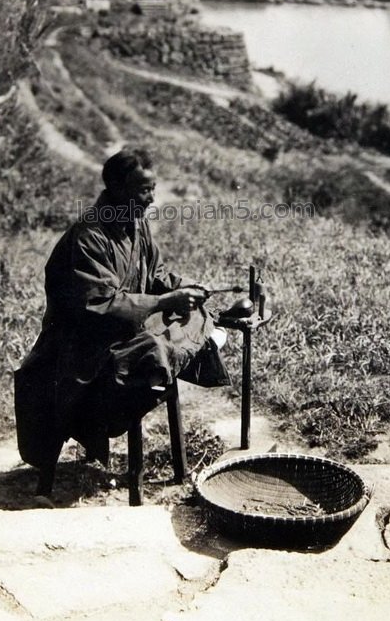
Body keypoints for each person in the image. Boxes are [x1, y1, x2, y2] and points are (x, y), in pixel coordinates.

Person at [14, 148, 229, 498]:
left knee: (186, 319)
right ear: (115, 186)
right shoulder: (89, 235)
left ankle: (173, 357)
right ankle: (171, 360)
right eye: (143, 190)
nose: (151, 199)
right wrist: (163, 302)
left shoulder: (135, 223)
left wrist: (181, 288)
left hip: (122, 334)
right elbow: (98, 304)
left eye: (153, 189)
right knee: (158, 347)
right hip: (81, 350)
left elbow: (154, 273)